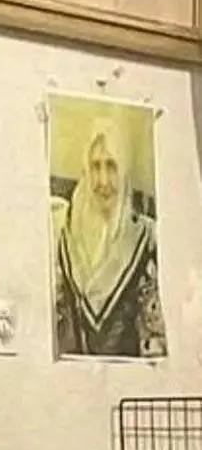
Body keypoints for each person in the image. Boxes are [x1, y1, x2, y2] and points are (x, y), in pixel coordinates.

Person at [51, 119, 166, 358]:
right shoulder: (64, 237)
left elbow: (155, 344)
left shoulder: (144, 240)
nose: (103, 180)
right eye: (95, 166)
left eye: (111, 166)